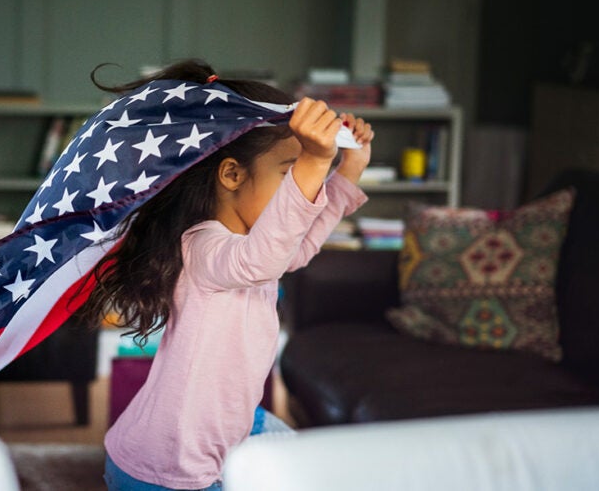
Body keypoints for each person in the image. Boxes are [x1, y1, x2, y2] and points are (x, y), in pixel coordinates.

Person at [74, 60, 375, 491]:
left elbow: (296, 246)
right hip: (171, 464)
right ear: (232, 174)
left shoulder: (255, 244)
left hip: (230, 424)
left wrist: (346, 170)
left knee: (312, 469)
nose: (303, 186)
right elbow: (264, 258)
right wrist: (314, 160)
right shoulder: (203, 246)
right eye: (289, 172)